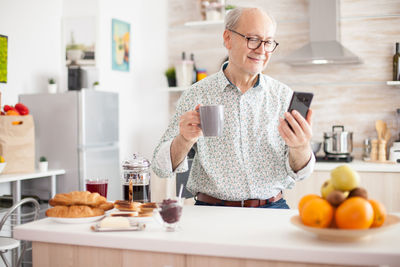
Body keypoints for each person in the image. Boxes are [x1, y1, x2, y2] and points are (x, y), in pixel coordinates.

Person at [152, 7, 315, 209]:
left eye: (268, 42)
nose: (262, 50)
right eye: (253, 39)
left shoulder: (283, 96)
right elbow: (160, 168)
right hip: (213, 211)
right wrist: (184, 139)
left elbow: (302, 173)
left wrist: (300, 146)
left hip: (272, 208)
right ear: (228, 38)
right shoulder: (197, 94)